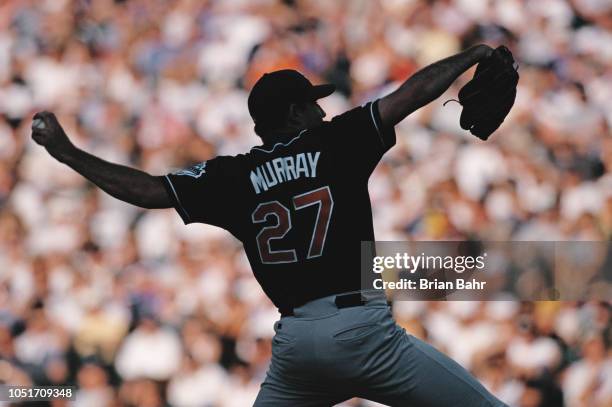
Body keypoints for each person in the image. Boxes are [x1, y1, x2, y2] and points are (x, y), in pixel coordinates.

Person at [31, 44, 507, 406]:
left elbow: (146, 191)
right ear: (296, 113)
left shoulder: (233, 176)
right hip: (365, 333)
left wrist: (66, 152)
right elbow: (409, 94)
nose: (323, 111)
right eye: (313, 104)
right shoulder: (335, 141)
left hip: (297, 347)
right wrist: (474, 55)